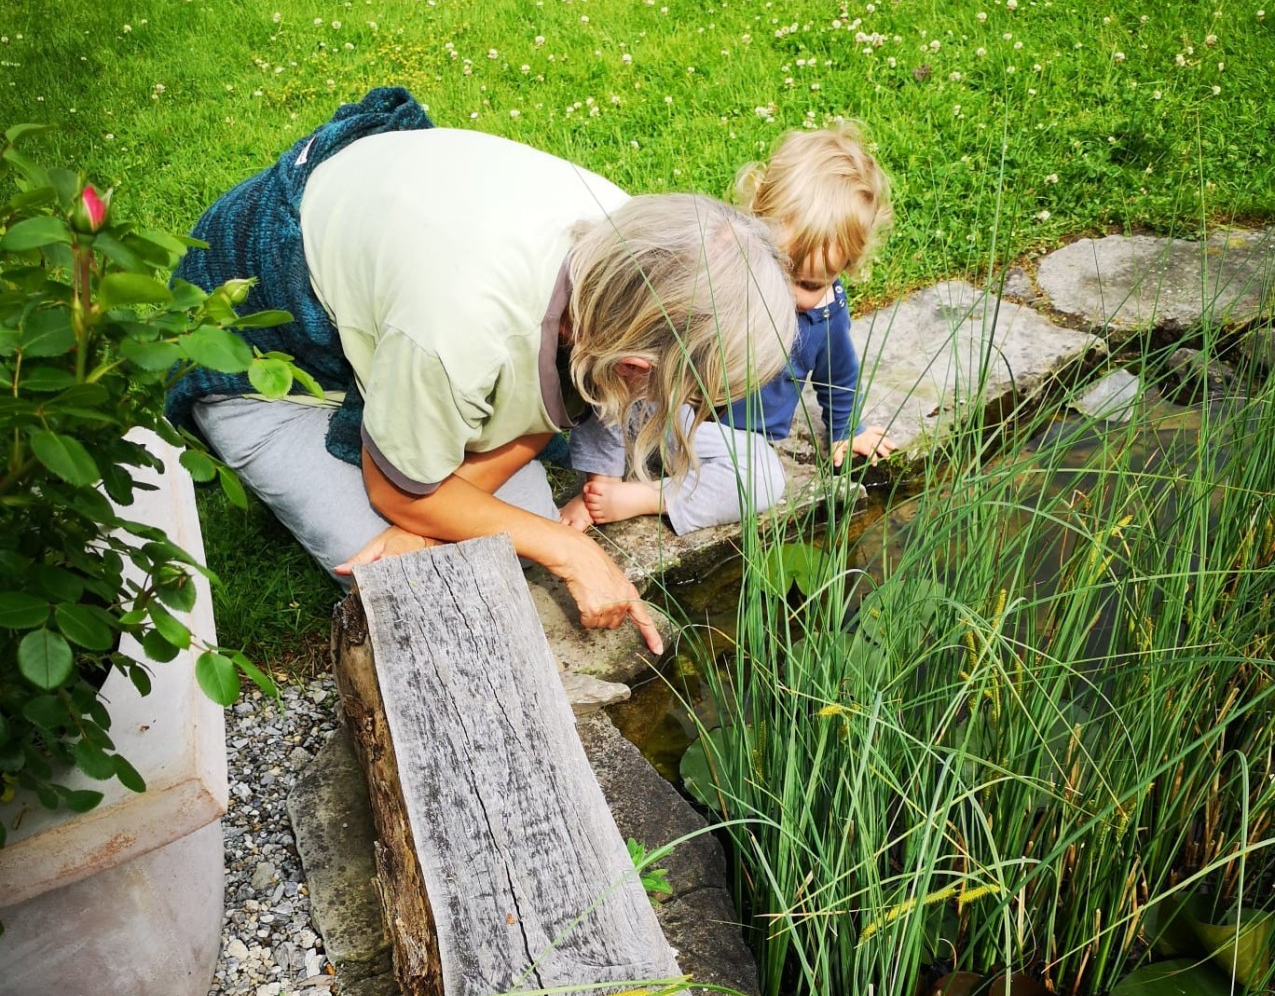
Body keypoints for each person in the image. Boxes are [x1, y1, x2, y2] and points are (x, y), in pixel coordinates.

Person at [167, 88, 795, 654]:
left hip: (408, 319)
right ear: (632, 362)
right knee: (430, 586)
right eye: (684, 389)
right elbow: (397, 491)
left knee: (487, 543)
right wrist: (567, 549)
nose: (690, 408)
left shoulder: (636, 251)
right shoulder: (457, 327)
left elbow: (565, 398)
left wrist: (441, 521)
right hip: (265, 359)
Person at [559, 121, 894, 535]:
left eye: (809, 284)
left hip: (730, 437)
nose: (786, 294)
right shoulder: (723, 279)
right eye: (778, 268)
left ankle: (656, 495)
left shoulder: (825, 316)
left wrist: (847, 431)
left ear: (845, 269)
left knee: (763, 479)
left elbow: (838, 376)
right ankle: (602, 482)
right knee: (619, 375)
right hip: (672, 407)